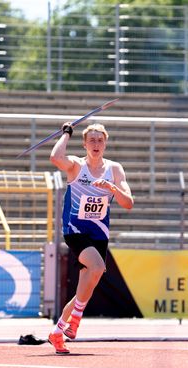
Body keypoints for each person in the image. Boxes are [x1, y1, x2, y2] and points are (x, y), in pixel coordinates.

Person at [48, 121, 134, 354]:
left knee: (84, 288)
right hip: (75, 229)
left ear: (105, 143)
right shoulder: (76, 165)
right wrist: (66, 133)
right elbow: (55, 158)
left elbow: (128, 203)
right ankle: (76, 318)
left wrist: (112, 188)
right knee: (97, 267)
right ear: (85, 144)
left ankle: (58, 332)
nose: (96, 144)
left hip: (99, 232)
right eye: (92, 140)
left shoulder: (114, 169)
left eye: (100, 140)